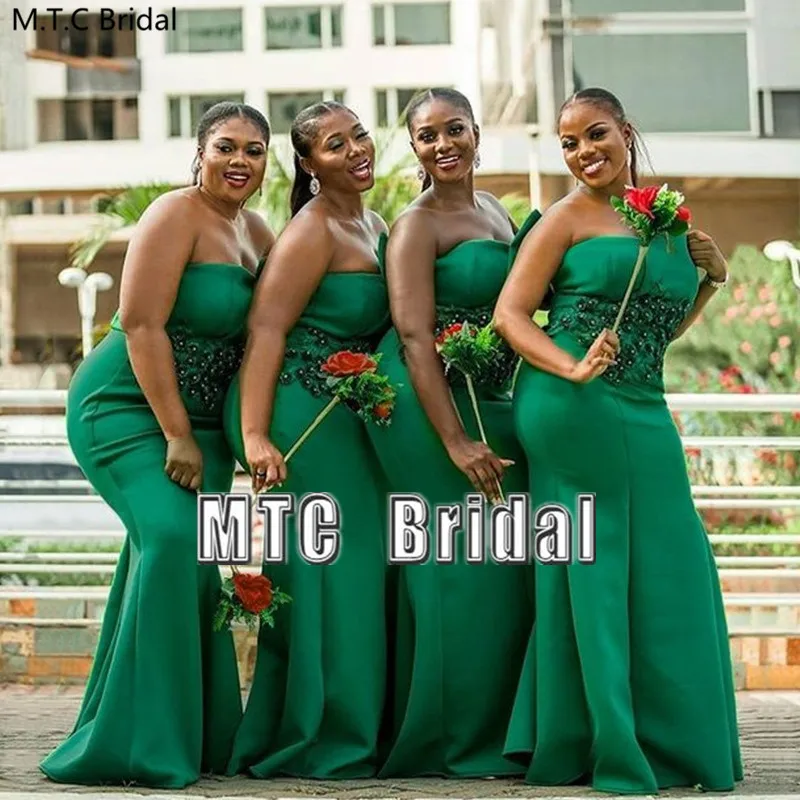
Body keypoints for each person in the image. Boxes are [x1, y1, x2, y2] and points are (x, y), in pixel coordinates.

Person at [492, 87, 743, 794]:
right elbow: (511, 315)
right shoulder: (563, 218)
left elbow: (656, 328)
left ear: (626, 132)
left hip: (643, 401)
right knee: (597, 564)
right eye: (569, 143)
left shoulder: (663, 218)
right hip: (569, 400)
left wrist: (710, 283)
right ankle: (607, 741)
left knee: (672, 559)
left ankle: (672, 741)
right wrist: (571, 366)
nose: (584, 153)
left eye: (595, 134)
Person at [38, 102, 275, 788]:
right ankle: (140, 745)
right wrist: (176, 434)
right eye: (225, 146)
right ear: (199, 153)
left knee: (188, 558)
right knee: (172, 540)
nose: (239, 160)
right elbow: (142, 326)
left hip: (205, 427)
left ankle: (194, 735)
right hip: (126, 410)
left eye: (254, 150)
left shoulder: (257, 230)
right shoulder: (173, 214)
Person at [365, 87, 536, 778]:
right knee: (455, 565)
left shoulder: (493, 208)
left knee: (498, 562)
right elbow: (412, 337)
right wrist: (456, 441)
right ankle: (445, 740)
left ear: (475, 133)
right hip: (421, 400)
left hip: (484, 391)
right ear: (414, 147)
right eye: (428, 135)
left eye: (454, 129)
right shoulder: (415, 225)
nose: (443, 145)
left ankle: (493, 727)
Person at [222, 101, 392, 779]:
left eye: (359, 136)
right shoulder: (313, 229)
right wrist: (255, 435)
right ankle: (318, 733)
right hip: (300, 413)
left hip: (346, 412)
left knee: (358, 567)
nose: (355, 150)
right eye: (334, 144)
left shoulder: (373, 223)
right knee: (333, 568)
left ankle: (356, 725)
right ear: (309, 163)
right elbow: (266, 330)